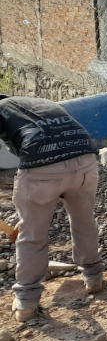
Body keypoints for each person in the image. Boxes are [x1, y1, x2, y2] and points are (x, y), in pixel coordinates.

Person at [0, 95, 100, 322]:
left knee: (32, 235)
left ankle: (26, 302)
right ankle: (93, 277)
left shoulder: (1, 110)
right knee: (84, 220)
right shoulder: (34, 103)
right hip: (85, 161)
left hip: (43, 169)